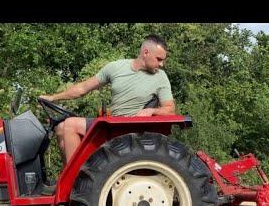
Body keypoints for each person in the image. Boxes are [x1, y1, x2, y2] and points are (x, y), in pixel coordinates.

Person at [40, 34, 175, 166]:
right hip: (111, 124)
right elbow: (83, 88)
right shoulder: (116, 67)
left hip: (128, 128)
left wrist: (151, 111)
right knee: (60, 128)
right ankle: (69, 178)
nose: (162, 64)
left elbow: (169, 109)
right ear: (145, 52)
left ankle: (76, 182)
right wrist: (53, 97)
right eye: (159, 59)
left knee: (70, 124)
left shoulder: (160, 77)